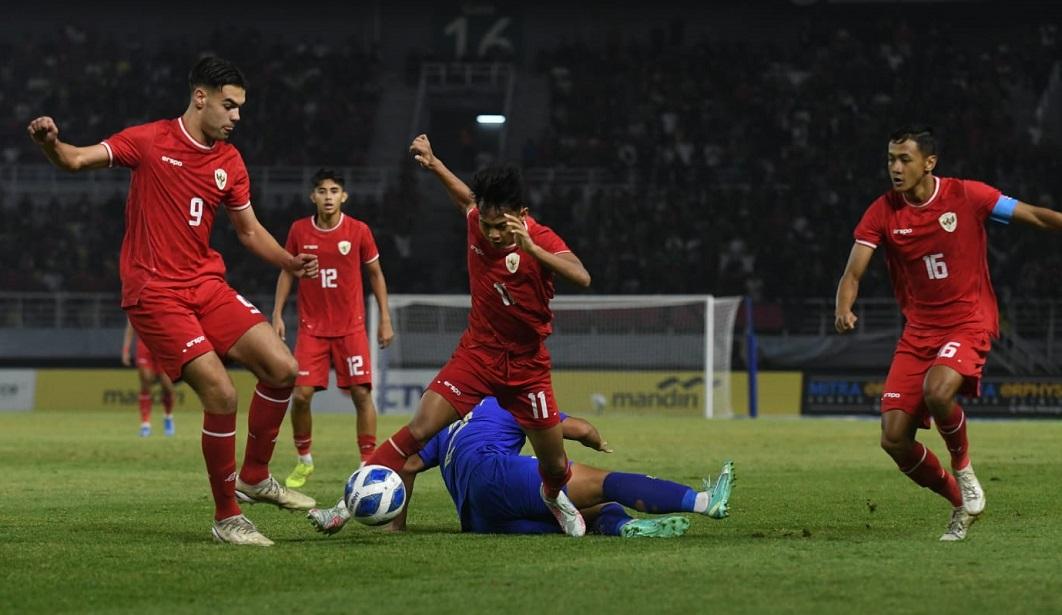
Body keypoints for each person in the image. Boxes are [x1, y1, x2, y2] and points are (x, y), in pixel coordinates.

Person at [27, 56, 321, 547]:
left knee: (283, 368)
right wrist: (50, 144)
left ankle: (253, 477)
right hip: (154, 292)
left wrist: (288, 263)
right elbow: (75, 160)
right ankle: (228, 517)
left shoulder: (230, 161)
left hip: (205, 284)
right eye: (229, 105)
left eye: (241, 108)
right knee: (222, 395)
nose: (236, 116)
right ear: (200, 98)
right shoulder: (149, 140)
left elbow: (248, 232)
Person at [353, 134, 593, 536]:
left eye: (502, 226)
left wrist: (532, 249)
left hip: (527, 365)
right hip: (477, 354)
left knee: (553, 465)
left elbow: (582, 276)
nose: (494, 234)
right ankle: (348, 501)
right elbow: (465, 199)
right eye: (487, 224)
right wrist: (433, 163)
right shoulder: (476, 221)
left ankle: (553, 497)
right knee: (419, 429)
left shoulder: (542, 239)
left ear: (522, 213)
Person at [835, 125, 1062, 541]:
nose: (896, 168)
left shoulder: (968, 196)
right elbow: (854, 270)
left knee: (938, 391)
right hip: (918, 332)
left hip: (968, 320)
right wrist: (843, 305)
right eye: (891, 159)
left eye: (905, 159)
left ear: (929, 163)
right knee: (894, 439)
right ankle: (961, 502)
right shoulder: (882, 211)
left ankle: (964, 467)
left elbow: (1032, 215)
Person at [307, 397, 736, 538]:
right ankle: (704, 500)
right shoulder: (508, 399)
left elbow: (410, 464)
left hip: (477, 518)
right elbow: (577, 428)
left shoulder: (444, 419)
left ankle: (624, 529)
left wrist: (397, 525)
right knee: (603, 483)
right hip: (498, 474)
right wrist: (596, 438)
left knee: (583, 516)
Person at [272, 168, 394, 489]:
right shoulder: (299, 231)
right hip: (312, 328)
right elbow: (287, 272)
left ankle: (367, 464)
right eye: (322, 191)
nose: (328, 197)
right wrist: (277, 313)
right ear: (313, 196)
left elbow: (376, 274)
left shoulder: (358, 231)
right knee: (300, 396)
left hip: (350, 327)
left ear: (344, 196)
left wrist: (384, 318)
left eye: (334, 191)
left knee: (361, 394)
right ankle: (304, 460)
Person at [122, 319, 177, 437]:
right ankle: (145, 424)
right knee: (145, 381)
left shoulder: (165, 301)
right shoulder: (137, 301)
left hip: (163, 346)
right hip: (144, 346)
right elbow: (130, 325)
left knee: (167, 385)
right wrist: (126, 349)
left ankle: (168, 416)